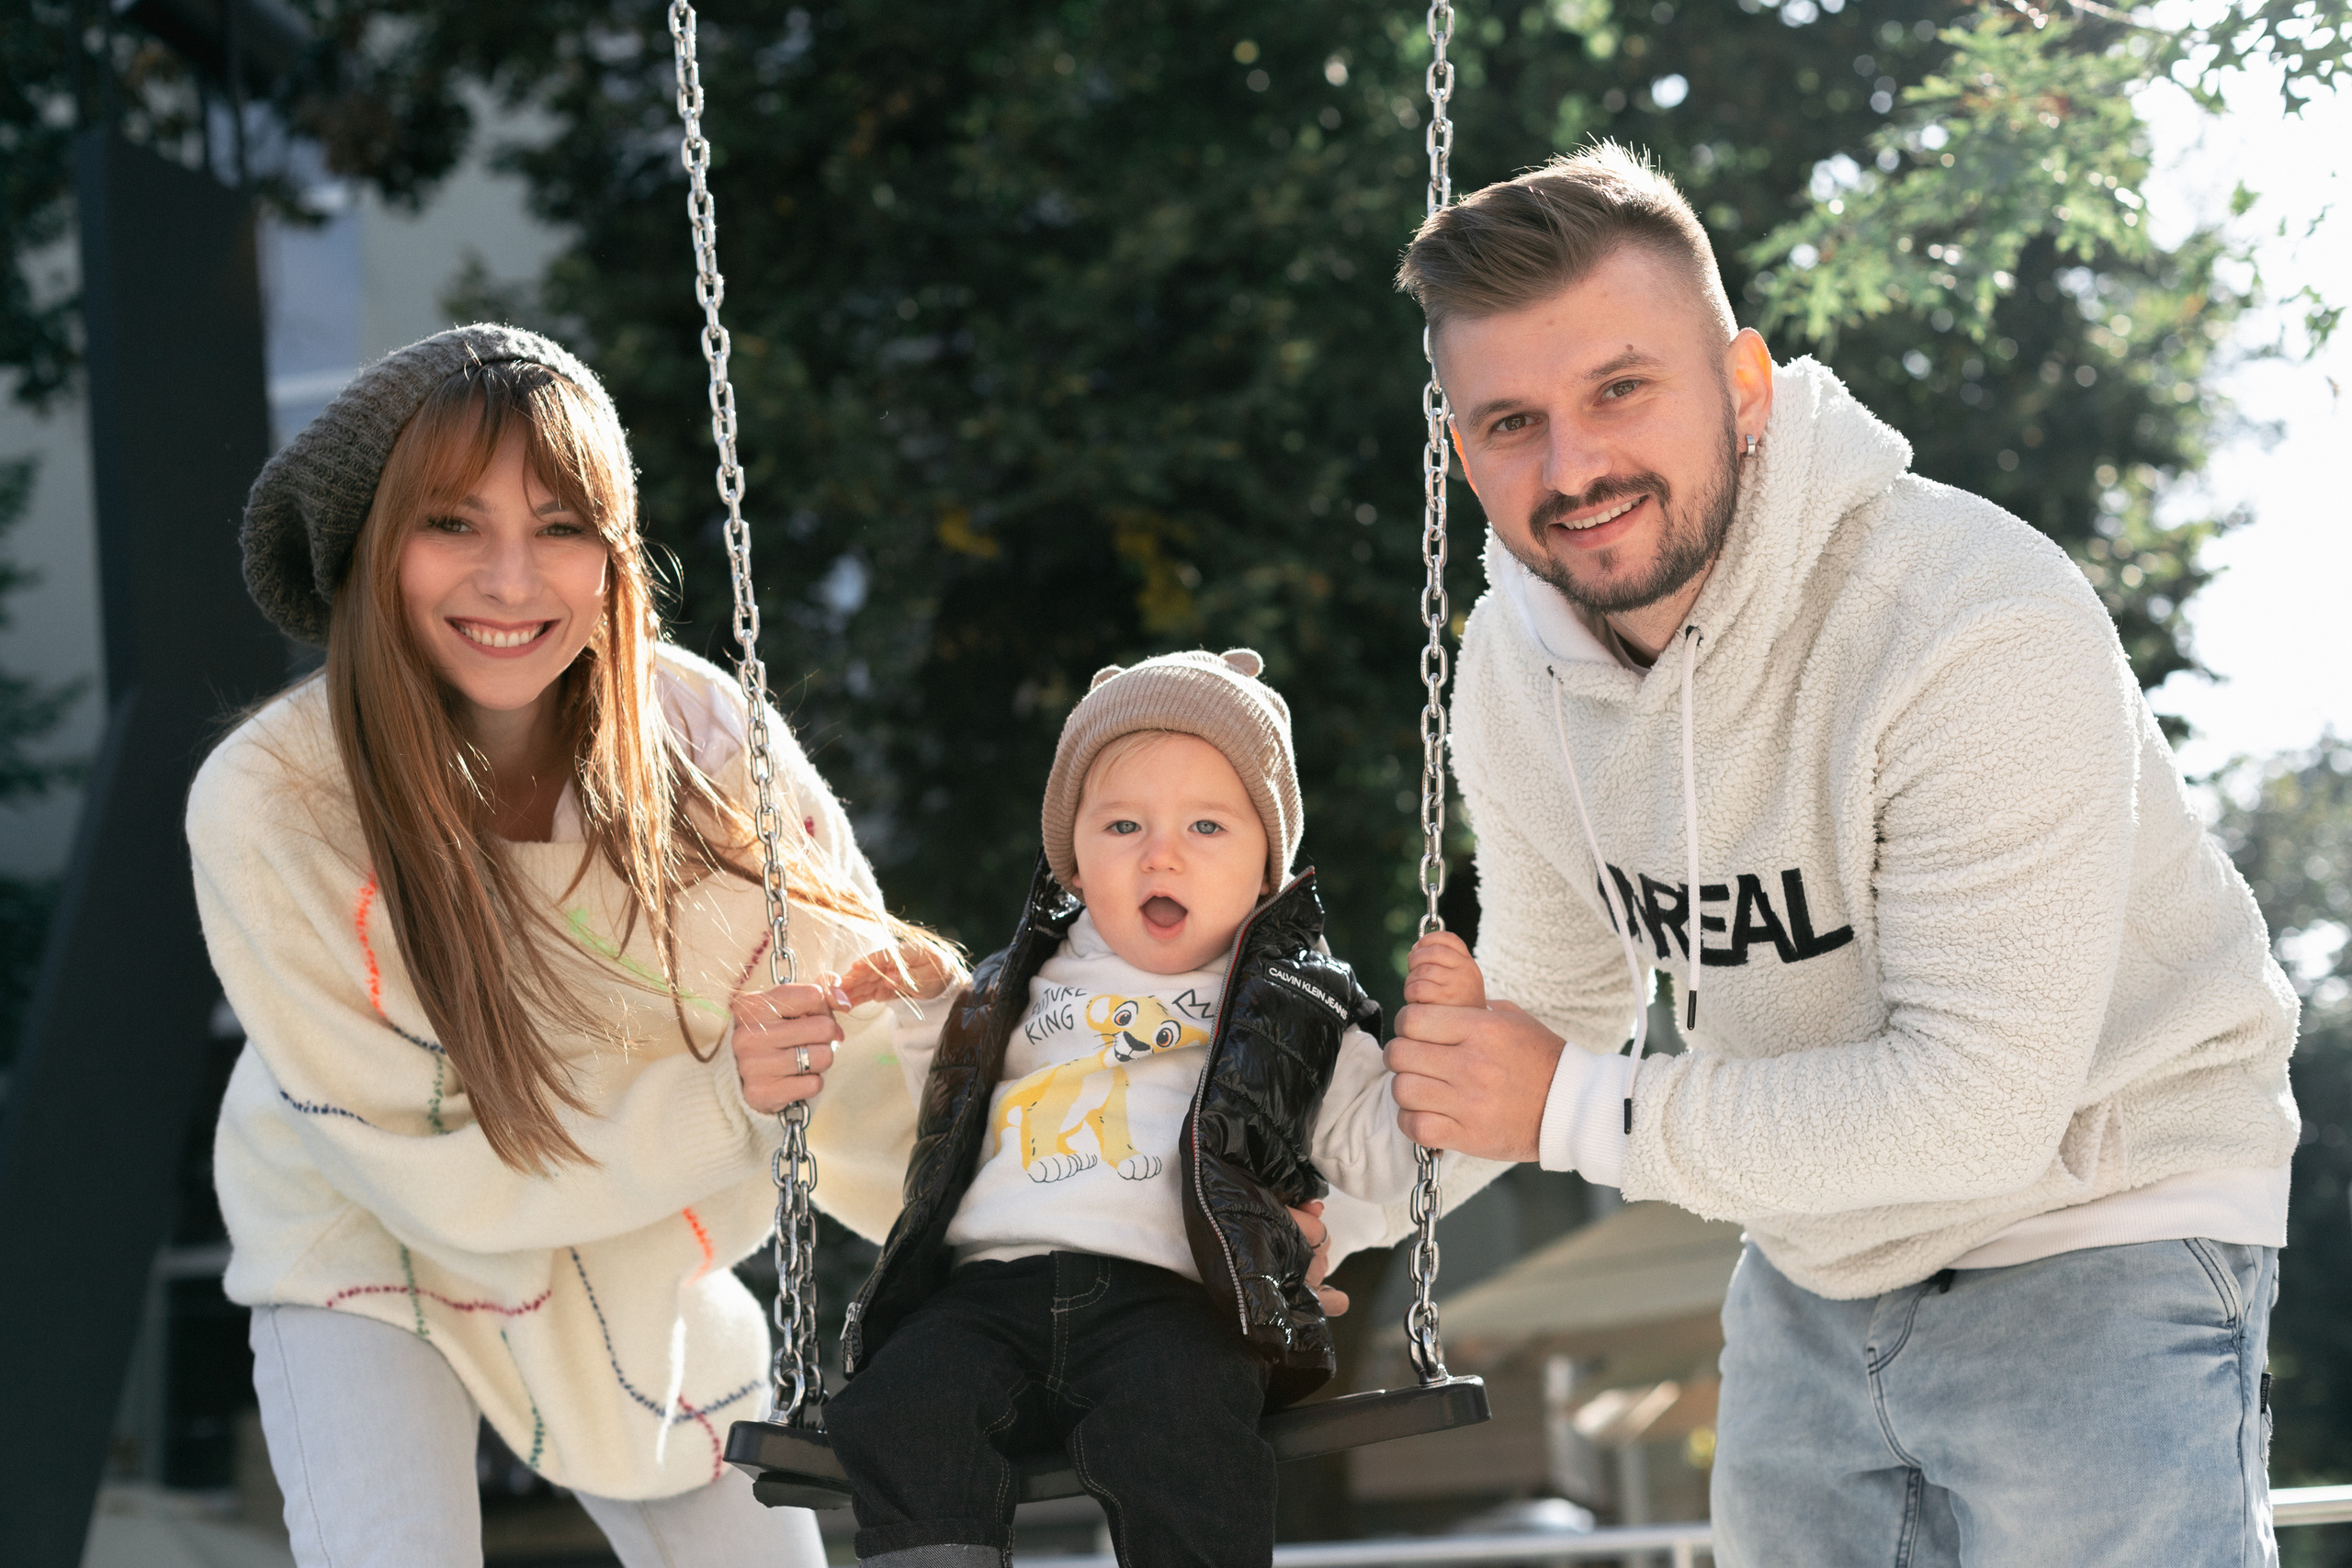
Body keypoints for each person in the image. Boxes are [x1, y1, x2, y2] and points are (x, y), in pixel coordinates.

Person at [1383, 145, 2300, 1566]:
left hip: (2101, 1214)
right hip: (1812, 1263)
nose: (1573, 467)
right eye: (1512, 421)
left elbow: (1976, 1107)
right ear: (1462, 451)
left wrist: (1571, 1107)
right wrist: (1303, 1205)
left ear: (1744, 388)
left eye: (1621, 389)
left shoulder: (1969, 620)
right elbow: (1548, 1021)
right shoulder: (1516, 670)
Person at [191, 324, 958, 1567]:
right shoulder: (276, 798)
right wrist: (724, 1100)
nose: (512, 579)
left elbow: (867, 1056)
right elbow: (426, 1164)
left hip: (634, 1240)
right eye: (452, 523)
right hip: (368, 1234)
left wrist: (1138, 1214)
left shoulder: (704, 737)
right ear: (369, 555)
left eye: (560, 525)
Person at [820, 649, 1476, 1568]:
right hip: (989, 1287)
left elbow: (1380, 1158)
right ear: (1074, 864)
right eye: (1122, 824)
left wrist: (1449, 1056)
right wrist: (928, 1002)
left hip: (1171, 1300)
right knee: (898, 1405)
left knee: (1183, 1434)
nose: (1160, 852)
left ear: (1265, 870)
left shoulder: (1298, 1009)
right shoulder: (1019, 980)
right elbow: (952, 1099)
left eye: (1207, 825)